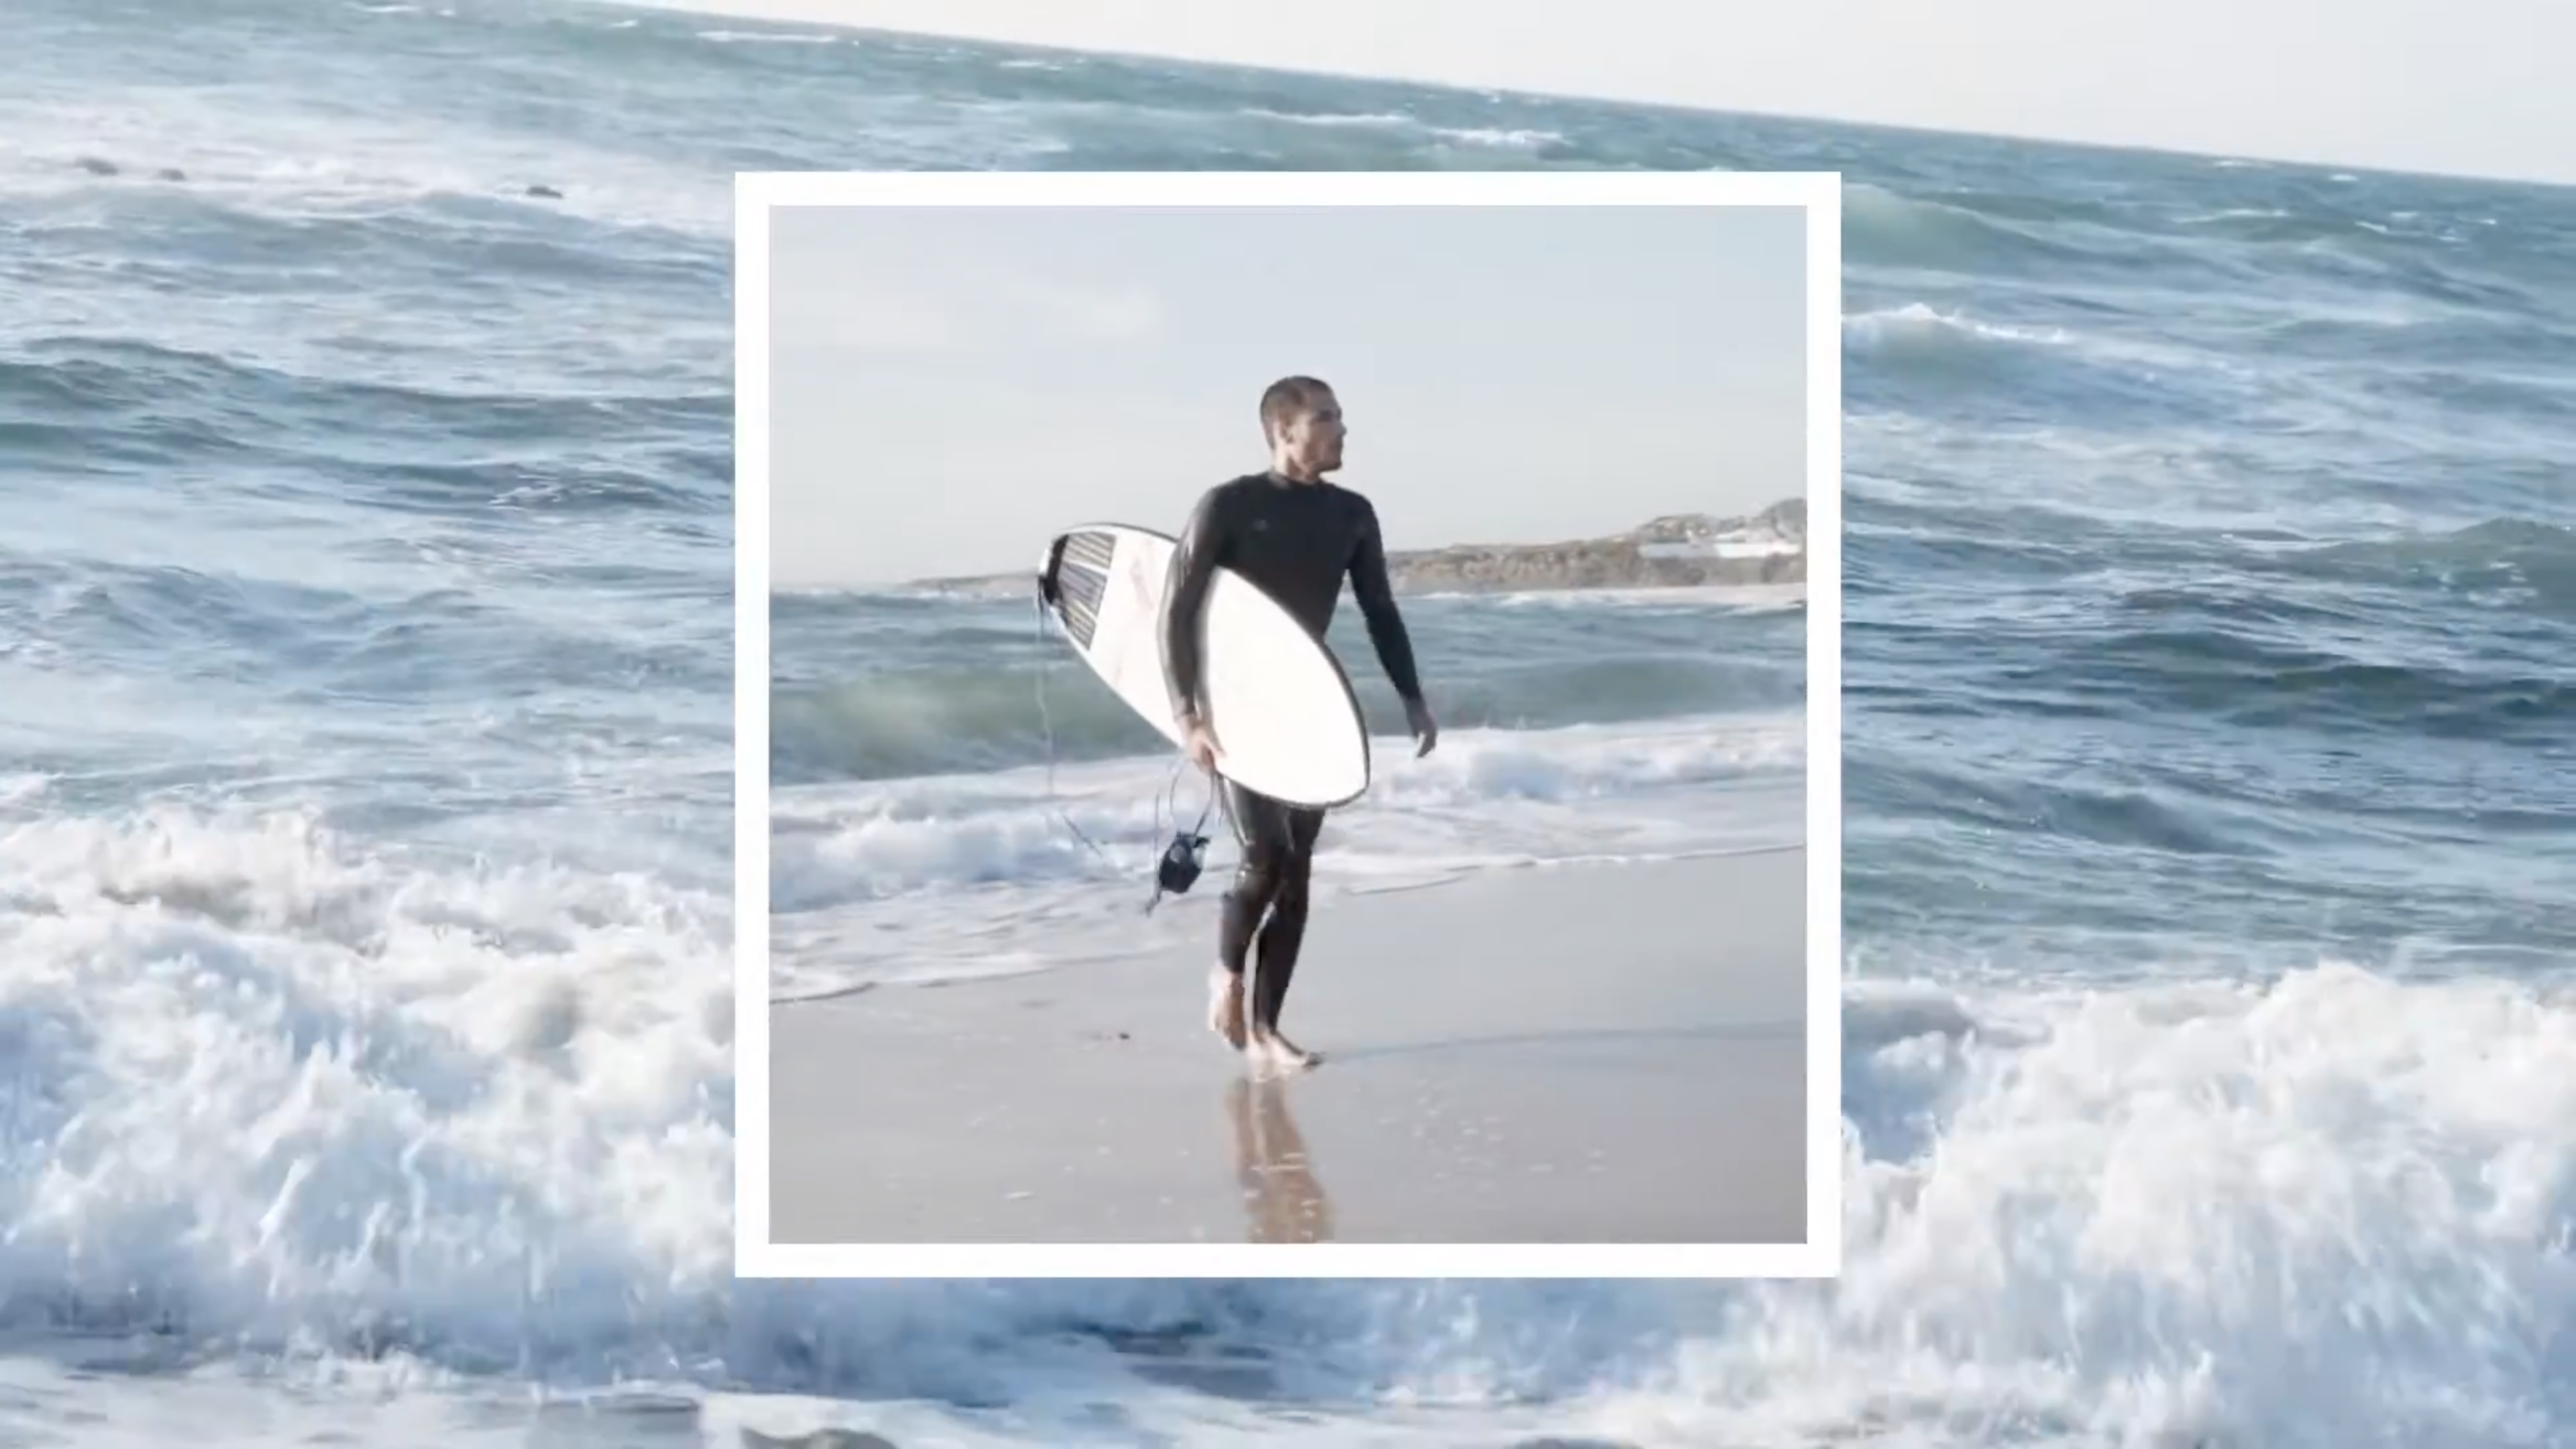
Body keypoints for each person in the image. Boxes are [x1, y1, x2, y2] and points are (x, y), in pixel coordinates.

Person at [1161, 375, 1438, 1074]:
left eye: (1339, 416)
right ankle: (1226, 974)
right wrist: (1188, 715)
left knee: (1298, 871)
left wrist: (1411, 697)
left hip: (1307, 704)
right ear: (1283, 432)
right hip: (1235, 705)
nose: (1342, 429)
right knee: (1265, 854)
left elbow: (1379, 611)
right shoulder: (1229, 505)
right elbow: (1176, 610)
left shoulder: (1352, 514)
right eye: (1326, 418)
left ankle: (1267, 1030)